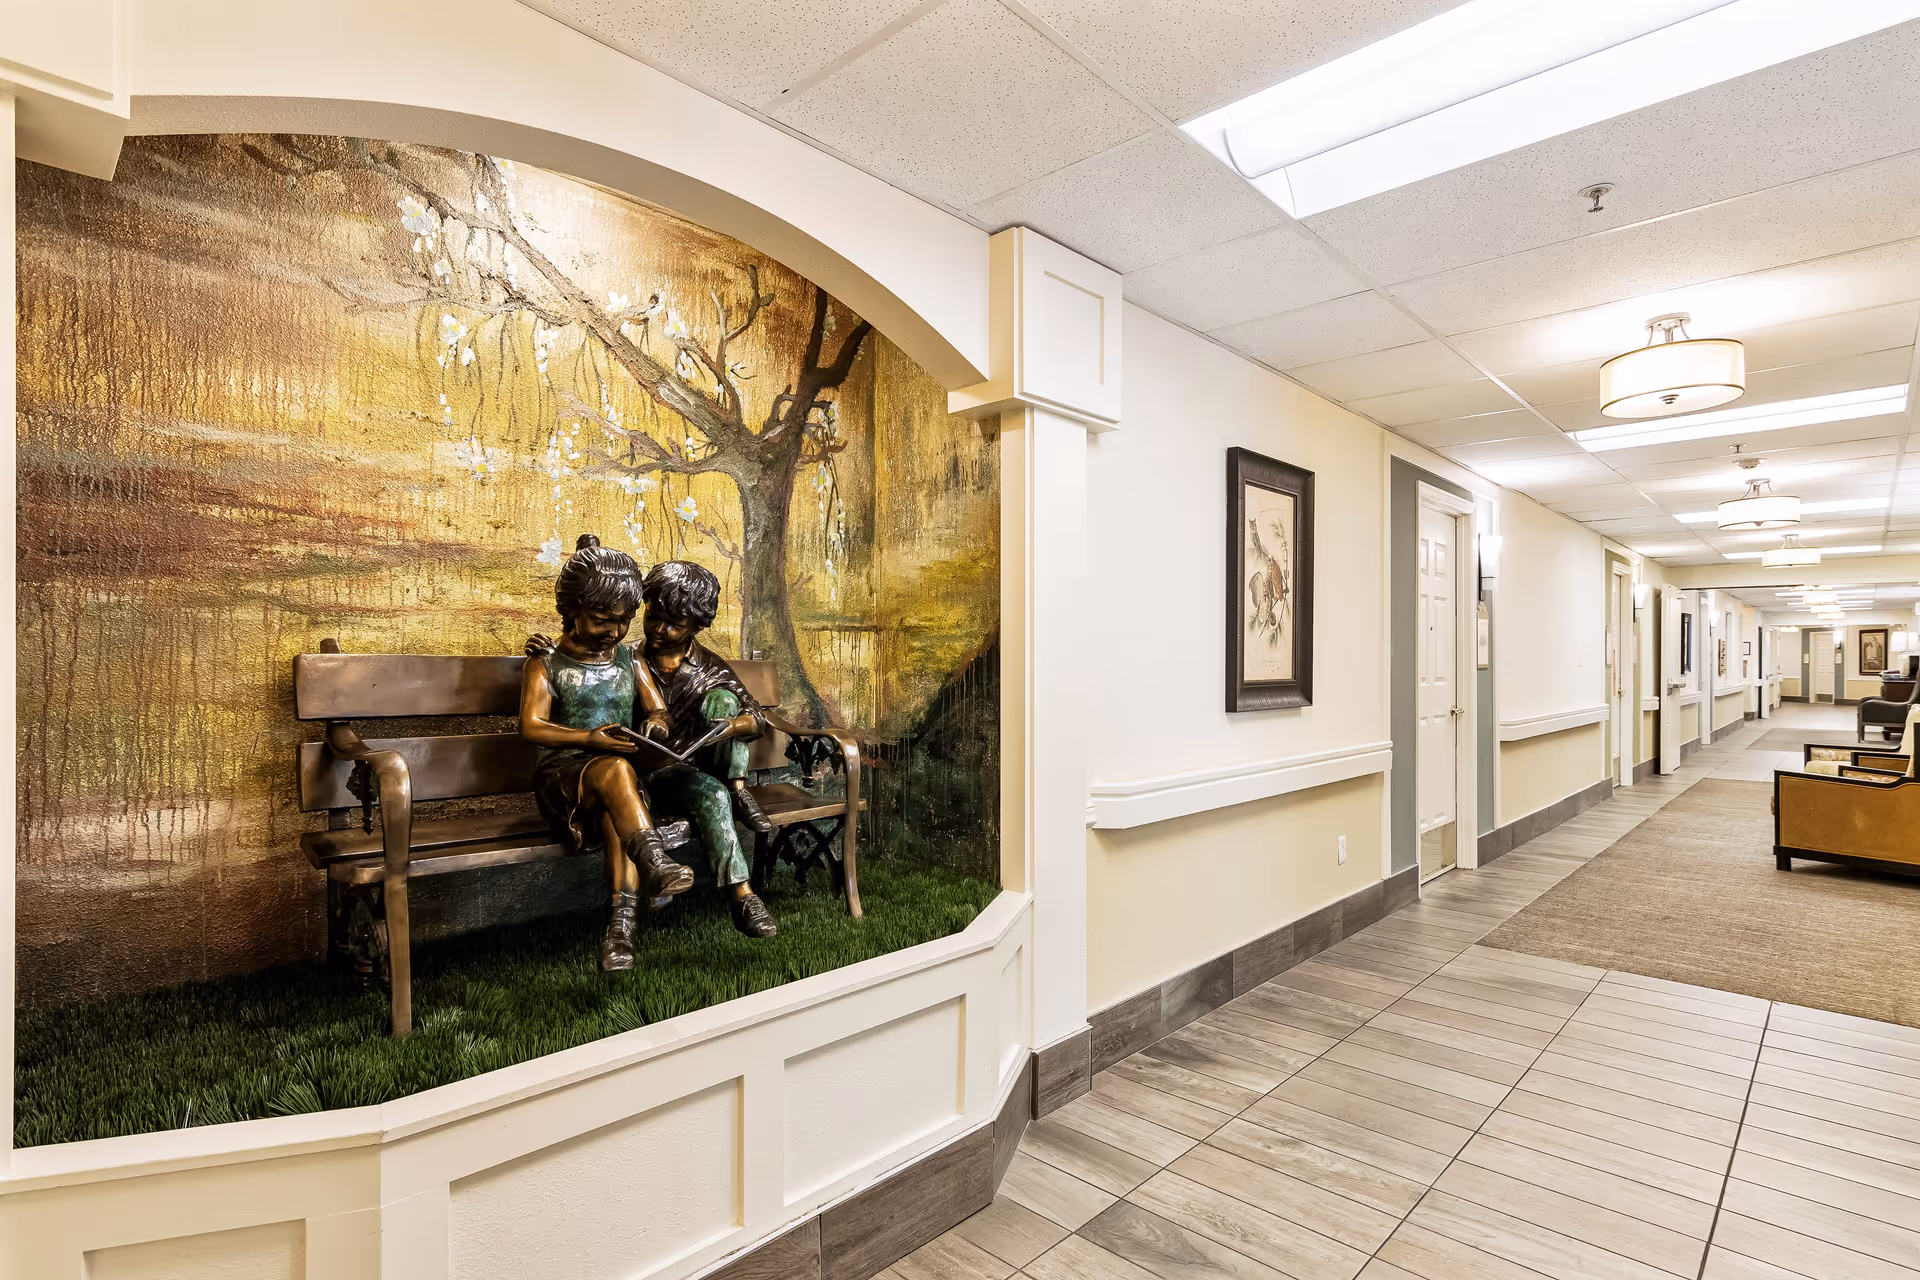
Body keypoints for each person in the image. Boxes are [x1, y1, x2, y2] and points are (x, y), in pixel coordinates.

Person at [528, 557, 780, 945]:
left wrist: (724, 726)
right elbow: (570, 664)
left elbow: (751, 715)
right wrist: (549, 647)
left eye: (675, 624)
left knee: (713, 793)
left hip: (664, 769)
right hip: (610, 772)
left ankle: (742, 897)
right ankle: (646, 882)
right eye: (653, 618)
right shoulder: (624, 653)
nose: (660, 630)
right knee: (618, 787)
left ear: (697, 626)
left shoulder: (708, 668)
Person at [519, 535, 692, 971]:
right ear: (572, 609)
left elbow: (657, 709)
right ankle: (654, 860)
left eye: (624, 621)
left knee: (619, 813)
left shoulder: (629, 660)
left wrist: (655, 726)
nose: (614, 632)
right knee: (616, 772)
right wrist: (589, 739)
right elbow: (531, 727)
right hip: (563, 783)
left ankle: (620, 933)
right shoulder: (545, 663)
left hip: (621, 785)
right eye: (602, 620)